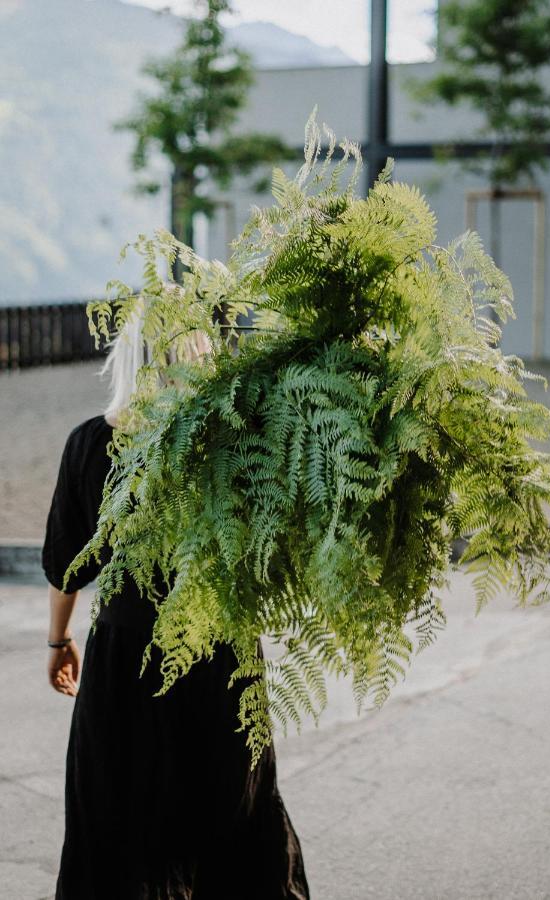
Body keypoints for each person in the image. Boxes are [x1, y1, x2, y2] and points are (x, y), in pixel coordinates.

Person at [43, 310, 310, 899]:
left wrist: (59, 641)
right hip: (219, 656)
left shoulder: (90, 444)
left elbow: (67, 562)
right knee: (228, 822)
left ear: (129, 356)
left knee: (119, 824)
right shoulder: (233, 439)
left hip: (123, 665)